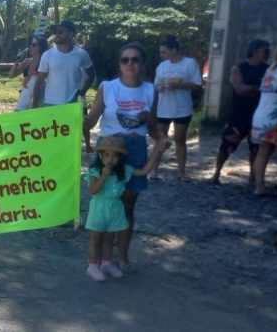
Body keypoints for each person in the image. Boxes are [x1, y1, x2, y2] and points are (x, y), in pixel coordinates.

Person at [85, 42, 169, 271]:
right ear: (120, 65)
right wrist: (72, 121)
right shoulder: (108, 87)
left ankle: (121, 256)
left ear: (142, 65)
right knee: (104, 201)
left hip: (136, 149)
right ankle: (99, 259)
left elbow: (152, 127)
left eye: (135, 60)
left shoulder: (151, 91)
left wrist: (161, 139)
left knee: (126, 208)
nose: (130, 63)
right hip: (109, 149)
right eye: (125, 60)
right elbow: (91, 120)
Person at [85, 135, 164, 281]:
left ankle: (106, 263)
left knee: (110, 237)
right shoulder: (95, 170)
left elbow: (144, 171)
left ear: (120, 158)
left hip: (115, 207)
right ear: (100, 155)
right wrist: (103, 177)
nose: (110, 159)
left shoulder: (125, 170)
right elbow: (92, 191)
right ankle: (92, 265)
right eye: (107, 155)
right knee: (97, 238)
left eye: (115, 156)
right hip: (99, 207)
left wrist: (156, 153)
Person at [210, 39, 270, 185]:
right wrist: (257, 89)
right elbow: (239, 89)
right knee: (226, 145)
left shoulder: (269, 70)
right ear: (254, 51)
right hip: (239, 114)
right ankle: (216, 173)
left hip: (260, 115)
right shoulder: (238, 68)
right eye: (264, 50)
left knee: (256, 148)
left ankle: (253, 176)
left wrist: (251, 88)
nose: (268, 53)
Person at [153, 35, 202, 180]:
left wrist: (178, 85)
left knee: (180, 139)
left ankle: (181, 172)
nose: (162, 55)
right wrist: (160, 87)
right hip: (163, 108)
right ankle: (153, 170)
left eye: (165, 52)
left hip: (182, 107)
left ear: (174, 50)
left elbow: (197, 84)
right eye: (161, 52)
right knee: (160, 139)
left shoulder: (189, 63)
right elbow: (155, 85)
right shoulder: (162, 66)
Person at [32, 20, 94, 110]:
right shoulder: (48, 55)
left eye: (60, 32)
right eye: (56, 32)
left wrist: (82, 92)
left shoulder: (82, 54)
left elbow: (91, 75)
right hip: (50, 103)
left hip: (73, 104)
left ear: (71, 34)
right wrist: (34, 104)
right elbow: (39, 81)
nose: (57, 35)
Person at [250, 44, 277, 199]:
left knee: (263, 152)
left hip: (262, 116)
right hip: (276, 119)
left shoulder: (271, 70)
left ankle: (259, 186)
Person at [9, 36, 48, 111]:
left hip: (39, 100)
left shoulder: (46, 63)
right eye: (30, 44)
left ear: (41, 47)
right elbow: (11, 76)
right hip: (24, 99)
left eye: (33, 45)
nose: (30, 47)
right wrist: (16, 61)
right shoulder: (27, 61)